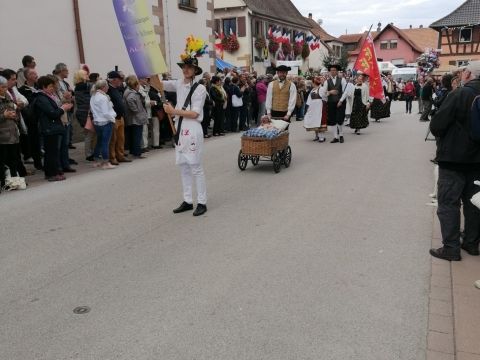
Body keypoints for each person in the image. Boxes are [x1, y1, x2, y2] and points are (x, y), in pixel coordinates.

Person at [429, 60, 480, 261]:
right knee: (474, 203)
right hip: (478, 161)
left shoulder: (459, 94)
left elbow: (437, 125)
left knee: (449, 202)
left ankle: (451, 248)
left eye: (464, 72)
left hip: (453, 158)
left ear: (468, 74)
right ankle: (471, 243)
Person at [162, 37, 208, 216]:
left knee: (196, 167)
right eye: (184, 67)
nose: (186, 69)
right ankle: (188, 200)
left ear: (195, 70)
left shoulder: (200, 89)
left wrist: (173, 111)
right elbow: (157, 82)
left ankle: (202, 202)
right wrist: (150, 72)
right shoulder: (178, 84)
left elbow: (195, 114)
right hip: (180, 130)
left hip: (192, 129)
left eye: (189, 67)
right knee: (183, 167)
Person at [34, 76, 73, 181]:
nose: (53, 88)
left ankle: (53, 172)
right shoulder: (41, 98)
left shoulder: (48, 96)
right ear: (43, 87)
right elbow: (52, 113)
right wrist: (62, 109)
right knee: (51, 153)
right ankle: (52, 174)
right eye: (51, 86)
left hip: (52, 127)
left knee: (53, 152)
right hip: (49, 128)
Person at [18, 68, 42, 170]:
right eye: (33, 73)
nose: (36, 75)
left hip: (41, 118)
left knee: (41, 141)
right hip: (31, 120)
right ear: (27, 76)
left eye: (36, 73)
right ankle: (38, 163)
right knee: (34, 141)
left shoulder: (38, 87)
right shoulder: (22, 90)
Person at [90, 80, 117, 169]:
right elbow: (106, 112)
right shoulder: (103, 97)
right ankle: (106, 163)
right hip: (106, 122)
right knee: (105, 143)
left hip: (97, 122)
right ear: (103, 87)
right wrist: (113, 119)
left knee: (99, 142)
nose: (108, 87)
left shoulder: (93, 96)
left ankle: (96, 160)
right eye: (107, 86)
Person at [0, 76, 21, 188]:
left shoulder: (8, 97)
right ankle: (4, 183)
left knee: (14, 160)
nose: (4, 89)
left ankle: (15, 181)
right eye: (2, 87)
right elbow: (4, 115)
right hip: (2, 136)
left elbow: (15, 111)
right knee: (3, 161)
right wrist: (4, 115)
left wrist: (15, 114)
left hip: (13, 133)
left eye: (5, 87)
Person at [107, 71, 131, 165]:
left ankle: (120, 155)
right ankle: (112, 157)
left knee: (121, 138)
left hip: (120, 117)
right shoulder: (108, 89)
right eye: (119, 80)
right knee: (113, 139)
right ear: (114, 80)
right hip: (114, 117)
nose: (120, 82)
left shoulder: (117, 88)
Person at [123, 75, 149, 159]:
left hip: (134, 118)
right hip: (136, 118)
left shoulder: (130, 92)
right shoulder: (131, 94)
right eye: (137, 85)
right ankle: (137, 152)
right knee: (137, 136)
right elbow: (133, 106)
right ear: (134, 85)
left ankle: (134, 151)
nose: (139, 86)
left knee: (134, 135)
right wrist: (138, 111)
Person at [73, 69, 95, 161]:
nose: (88, 76)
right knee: (90, 134)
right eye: (86, 74)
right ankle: (89, 154)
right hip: (86, 112)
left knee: (88, 134)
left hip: (81, 112)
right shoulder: (86, 85)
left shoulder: (76, 87)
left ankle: (89, 153)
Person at [323, 64, 347, 143]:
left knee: (339, 119)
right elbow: (323, 93)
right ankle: (335, 137)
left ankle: (341, 135)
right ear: (329, 72)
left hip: (340, 102)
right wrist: (330, 92)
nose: (333, 72)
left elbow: (345, 92)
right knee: (333, 120)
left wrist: (341, 101)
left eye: (334, 70)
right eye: (331, 70)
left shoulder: (342, 80)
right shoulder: (327, 81)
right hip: (331, 103)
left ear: (337, 71)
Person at [303, 76, 327, 142]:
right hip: (313, 108)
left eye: (312, 83)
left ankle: (321, 137)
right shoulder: (312, 90)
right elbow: (309, 100)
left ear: (314, 83)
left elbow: (325, 98)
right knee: (314, 121)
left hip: (320, 107)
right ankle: (317, 136)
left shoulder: (321, 89)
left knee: (320, 121)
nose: (311, 84)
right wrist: (308, 108)